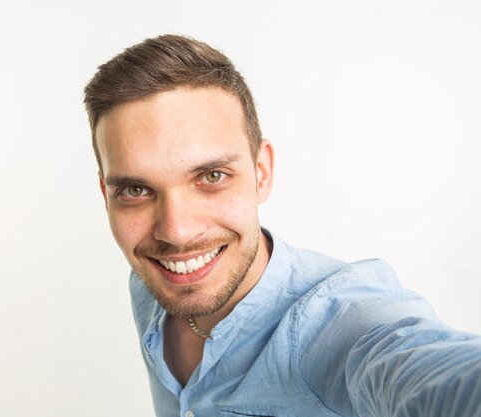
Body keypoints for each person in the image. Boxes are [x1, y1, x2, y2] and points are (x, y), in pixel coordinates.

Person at [83, 34, 481, 417]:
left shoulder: (338, 320)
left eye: (212, 177)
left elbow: (423, 366)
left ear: (262, 172)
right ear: (106, 195)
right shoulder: (151, 283)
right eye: (136, 189)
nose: (176, 233)